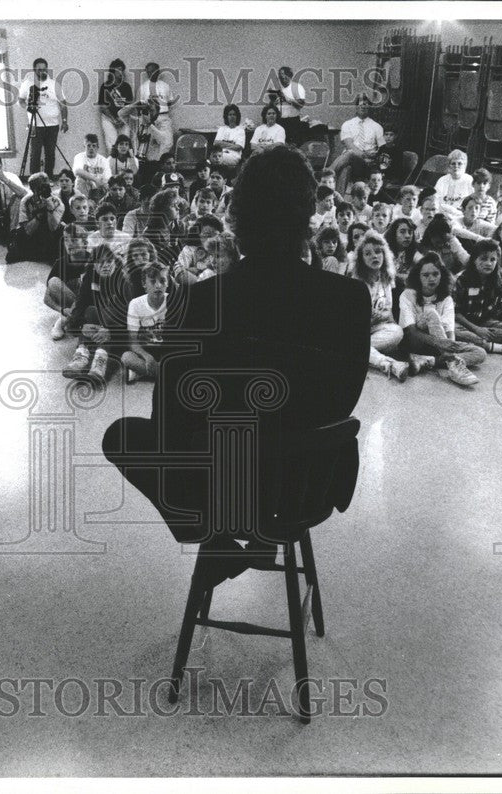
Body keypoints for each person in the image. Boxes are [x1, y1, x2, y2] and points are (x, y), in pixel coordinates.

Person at [102, 145, 371, 575]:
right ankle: (255, 535)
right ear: (308, 215)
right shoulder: (350, 298)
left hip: (220, 488)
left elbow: (169, 415)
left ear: (238, 217)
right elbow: (343, 402)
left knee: (122, 435)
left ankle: (217, 538)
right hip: (307, 484)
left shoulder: (200, 300)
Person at [397, 253, 485, 387]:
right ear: (418, 277)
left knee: (480, 353)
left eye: (435, 274)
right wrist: (442, 343)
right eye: (425, 275)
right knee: (431, 313)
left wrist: (450, 344)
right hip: (415, 342)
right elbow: (411, 331)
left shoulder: (446, 298)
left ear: (441, 275)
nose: (431, 279)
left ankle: (428, 361)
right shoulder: (408, 295)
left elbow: (449, 329)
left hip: (438, 347)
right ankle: (453, 364)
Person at [63, 242, 131, 387]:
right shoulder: (90, 276)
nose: (105, 265)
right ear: (94, 264)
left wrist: (111, 332)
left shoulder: (124, 281)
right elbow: (79, 308)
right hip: (97, 326)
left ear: (115, 261)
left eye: (109, 261)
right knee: (90, 310)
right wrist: (82, 326)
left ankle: (100, 363)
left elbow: (132, 321)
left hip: (121, 333)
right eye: (100, 262)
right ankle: (81, 354)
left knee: (107, 310)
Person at [350, 230, 408, 381]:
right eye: (368, 254)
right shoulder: (357, 283)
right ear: (362, 259)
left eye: (378, 252)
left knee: (398, 332)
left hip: (377, 327)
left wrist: (381, 317)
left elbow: (388, 311)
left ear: (384, 254)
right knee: (355, 344)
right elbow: (353, 318)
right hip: (358, 330)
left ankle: (360, 352)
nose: (374, 256)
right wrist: (369, 317)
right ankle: (388, 363)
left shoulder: (386, 279)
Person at [46, 193, 93, 340]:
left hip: (88, 301)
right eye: (66, 241)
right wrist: (62, 309)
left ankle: (70, 321)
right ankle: (66, 319)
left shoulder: (91, 260)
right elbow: (46, 297)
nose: (70, 244)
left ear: (84, 243)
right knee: (53, 282)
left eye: (74, 241)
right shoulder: (61, 262)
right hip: (72, 302)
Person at [18, 58, 69, 178]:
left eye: (44, 69)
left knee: (50, 153)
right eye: (39, 69)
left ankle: (48, 178)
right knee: (35, 154)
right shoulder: (28, 84)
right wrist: (28, 108)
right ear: (34, 70)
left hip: (52, 125)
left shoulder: (54, 84)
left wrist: (65, 121)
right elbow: (21, 100)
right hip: (35, 125)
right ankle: (35, 180)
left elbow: (63, 104)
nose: (42, 72)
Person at [122, 262, 171, 382]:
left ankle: (143, 372)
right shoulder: (135, 304)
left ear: (168, 283)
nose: (158, 285)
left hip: (166, 350)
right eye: (153, 281)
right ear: (144, 284)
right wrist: (147, 356)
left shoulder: (173, 301)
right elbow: (132, 341)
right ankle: (165, 374)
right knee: (126, 357)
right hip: (146, 350)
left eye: (162, 281)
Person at [331, 95, 386, 194]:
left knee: (349, 155)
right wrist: (364, 155)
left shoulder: (377, 127)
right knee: (347, 166)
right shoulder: (347, 125)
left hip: (368, 165)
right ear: (356, 107)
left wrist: (374, 157)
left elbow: (383, 148)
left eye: (365, 105)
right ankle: (339, 199)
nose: (363, 107)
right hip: (353, 159)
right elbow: (349, 144)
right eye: (360, 105)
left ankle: (327, 175)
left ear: (370, 107)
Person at [6, 173, 64, 264]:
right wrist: (40, 212)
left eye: (47, 187)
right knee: (16, 241)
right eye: (41, 188)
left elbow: (53, 228)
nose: (45, 190)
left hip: (48, 234)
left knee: (62, 230)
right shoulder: (26, 201)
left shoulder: (57, 202)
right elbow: (27, 231)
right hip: (33, 235)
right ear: (33, 190)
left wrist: (49, 209)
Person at [138, 62, 177, 161]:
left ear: (158, 71)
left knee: (168, 142)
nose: (151, 73)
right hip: (150, 120)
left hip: (164, 118)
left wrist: (161, 110)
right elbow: (141, 105)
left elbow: (169, 102)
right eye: (148, 72)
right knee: (151, 145)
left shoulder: (165, 86)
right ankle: (152, 165)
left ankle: (161, 163)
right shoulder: (143, 87)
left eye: (153, 71)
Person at [98, 59, 134, 154]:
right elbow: (102, 106)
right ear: (112, 71)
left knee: (125, 145)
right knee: (112, 146)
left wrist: (121, 118)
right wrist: (113, 119)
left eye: (122, 70)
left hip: (124, 119)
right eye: (118, 70)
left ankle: (125, 168)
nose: (120, 72)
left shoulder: (126, 87)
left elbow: (129, 107)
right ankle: (112, 168)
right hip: (109, 119)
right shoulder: (105, 86)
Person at [434, 149, 473, 222]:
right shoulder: (442, 180)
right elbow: (435, 200)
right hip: (442, 215)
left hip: (460, 217)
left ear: (465, 165)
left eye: (460, 163)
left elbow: (472, 203)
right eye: (453, 163)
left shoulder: (469, 180)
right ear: (449, 166)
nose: (456, 166)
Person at [73, 133, 112, 201]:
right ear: (84, 146)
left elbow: (107, 178)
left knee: (107, 185)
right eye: (88, 146)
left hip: (99, 188)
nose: (91, 148)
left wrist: (100, 183)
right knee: (80, 180)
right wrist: (95, 180)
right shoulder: (79, 156)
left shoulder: (103, 160)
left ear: (97, 147)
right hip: (85, 187)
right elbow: (77, 171)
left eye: (94, 146)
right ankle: (82, 202)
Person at [275, 66, 307, 146]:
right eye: (279, 76)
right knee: (281, 146)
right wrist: (275, 104)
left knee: (293, 146)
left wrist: (288, 100)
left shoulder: (297, 87)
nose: (281, 78)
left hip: (292, 122)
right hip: (281, 122)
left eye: (282, 75)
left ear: (288, 75)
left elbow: (301, 105)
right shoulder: (281, 90)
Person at [213, 104, 247, 169]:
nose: (232, 117)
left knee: (218, 159)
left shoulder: (240, 130)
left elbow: (238, 147)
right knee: (214, 158)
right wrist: (232, 144)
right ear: (226, 116)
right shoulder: (222, 129)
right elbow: (216, 143)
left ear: (237, 116)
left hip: (233, 155)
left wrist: (222, 144)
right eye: (230, 115)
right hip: (219, 154)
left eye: (234, 114)